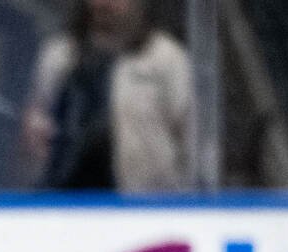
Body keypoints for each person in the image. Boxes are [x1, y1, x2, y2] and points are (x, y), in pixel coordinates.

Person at [25, 0, 191, 192]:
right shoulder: (59, 56)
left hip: (148, 205)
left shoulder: (165, 58)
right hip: (69, 201)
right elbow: (37, 128)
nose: (105, 4)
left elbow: (190, 139)